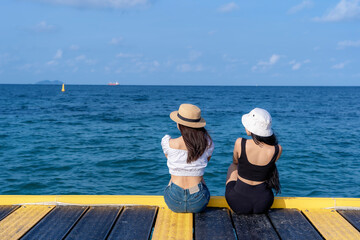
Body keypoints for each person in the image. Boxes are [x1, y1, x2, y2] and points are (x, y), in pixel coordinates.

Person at [225, 108, 282, 214]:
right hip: (264, 202)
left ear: (252, 128)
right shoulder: (277, 149)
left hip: (238, 202)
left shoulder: (240, 143)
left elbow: (235, 162)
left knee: (233, 166)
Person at [161, 103, 214, 213]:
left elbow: (169, 159)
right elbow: (206, 161)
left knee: (174, 174)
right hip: (198, 201)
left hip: (173, 200)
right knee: (199, 176)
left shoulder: (168, 143)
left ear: (179, 124)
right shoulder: (208, 144)